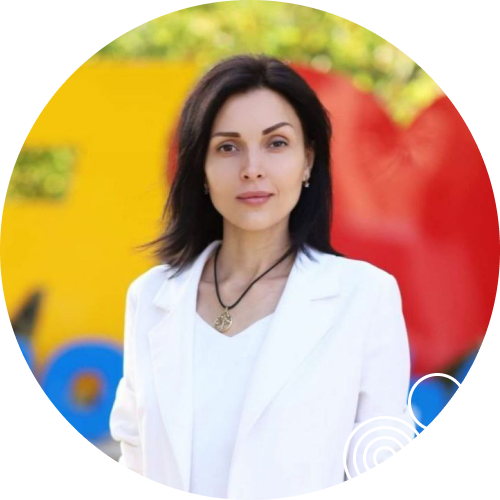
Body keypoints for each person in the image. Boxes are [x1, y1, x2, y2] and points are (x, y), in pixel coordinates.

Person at [109, 53, 415, 499]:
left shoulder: (365, 296)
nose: (252, 168)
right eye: (227, 147)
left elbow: (382, 469)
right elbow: (134, 450)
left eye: (276, 143)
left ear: (308, 161)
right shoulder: (151, 296)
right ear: (201, 170)